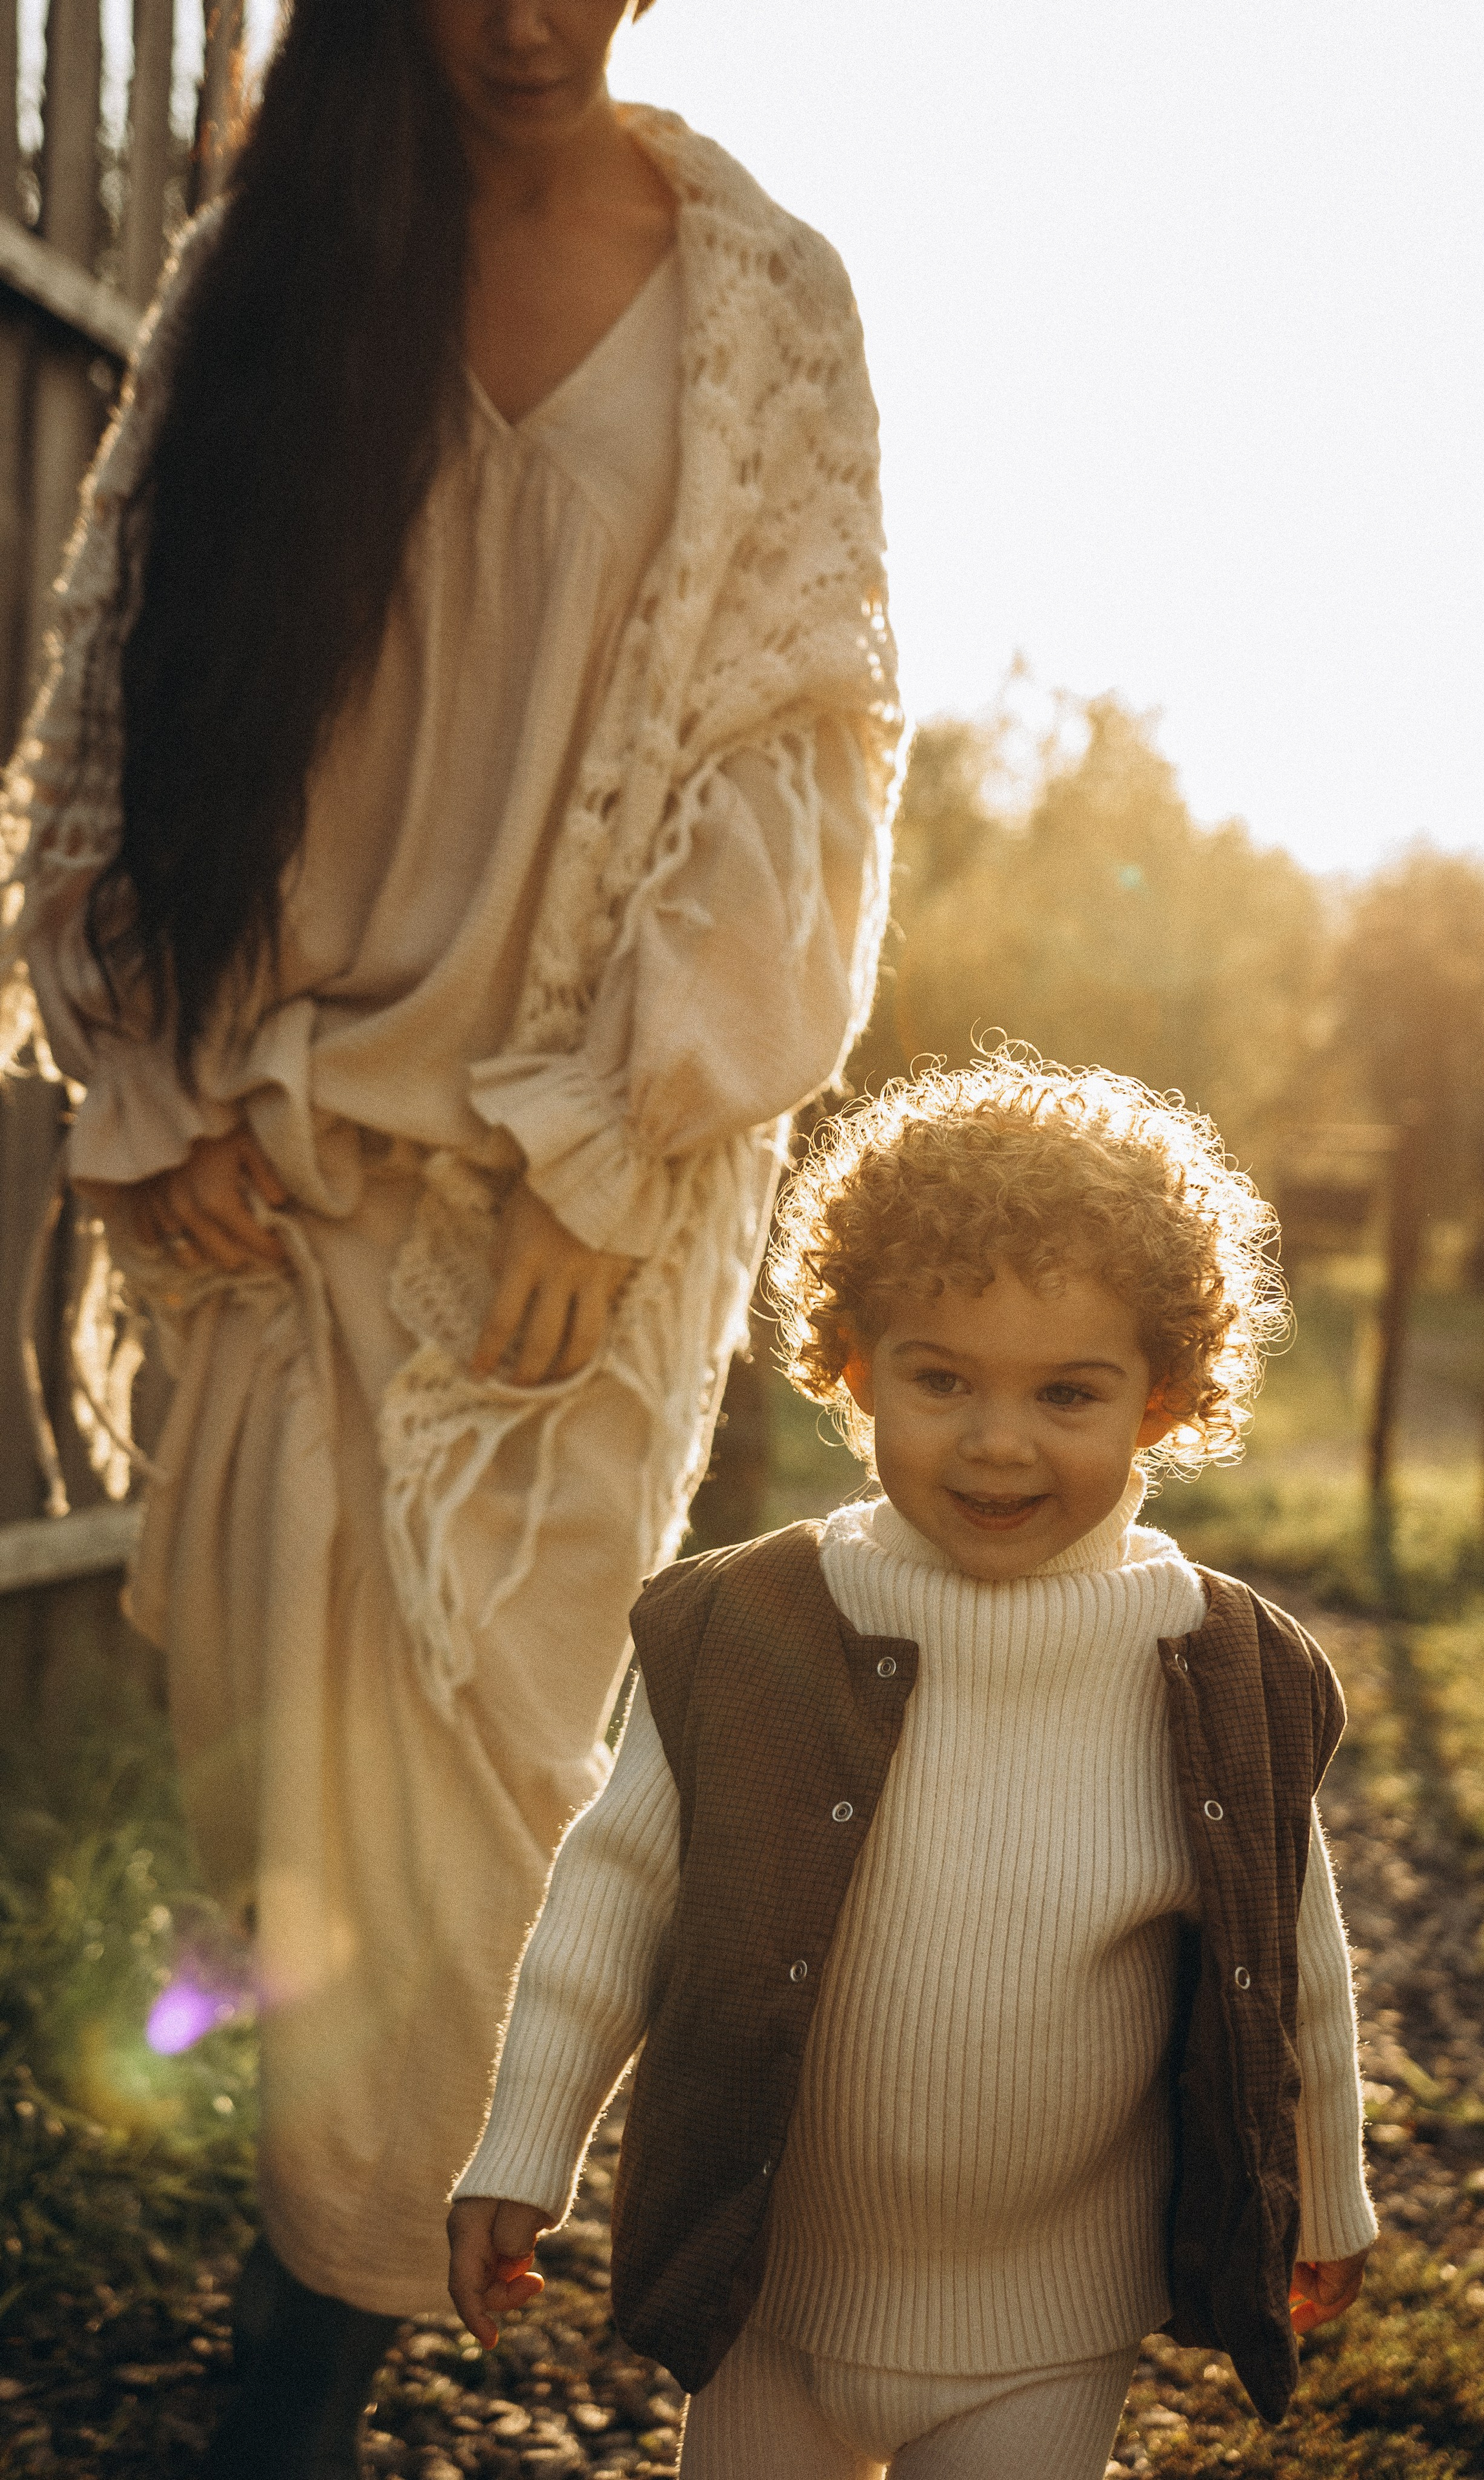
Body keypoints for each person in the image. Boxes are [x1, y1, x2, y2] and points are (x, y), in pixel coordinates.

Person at [0, 2, 897, 2470]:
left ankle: (292, 2384)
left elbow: (795, 759)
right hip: (272, 1188)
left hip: (546, 1231)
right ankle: (298, 2259)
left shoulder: (766, 302)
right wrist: (155, 1085)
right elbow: (115, 698)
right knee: (267, 1821)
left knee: (465, 1866)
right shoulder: (271, 268)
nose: (522, 16)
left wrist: (618, 1152)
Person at [448, 1055, 1378, 2479]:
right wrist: (524, 2148)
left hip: (1049, 2322)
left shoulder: (1220, 1671)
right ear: (849, 1365)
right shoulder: (746, 1631)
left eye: (1067, 1392)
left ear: (1161, 1399)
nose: (996, 1441)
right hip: (773, 2291)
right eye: (940, 1379)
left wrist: (1322, 2196)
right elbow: (609, 1903)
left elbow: (1287, 1965)